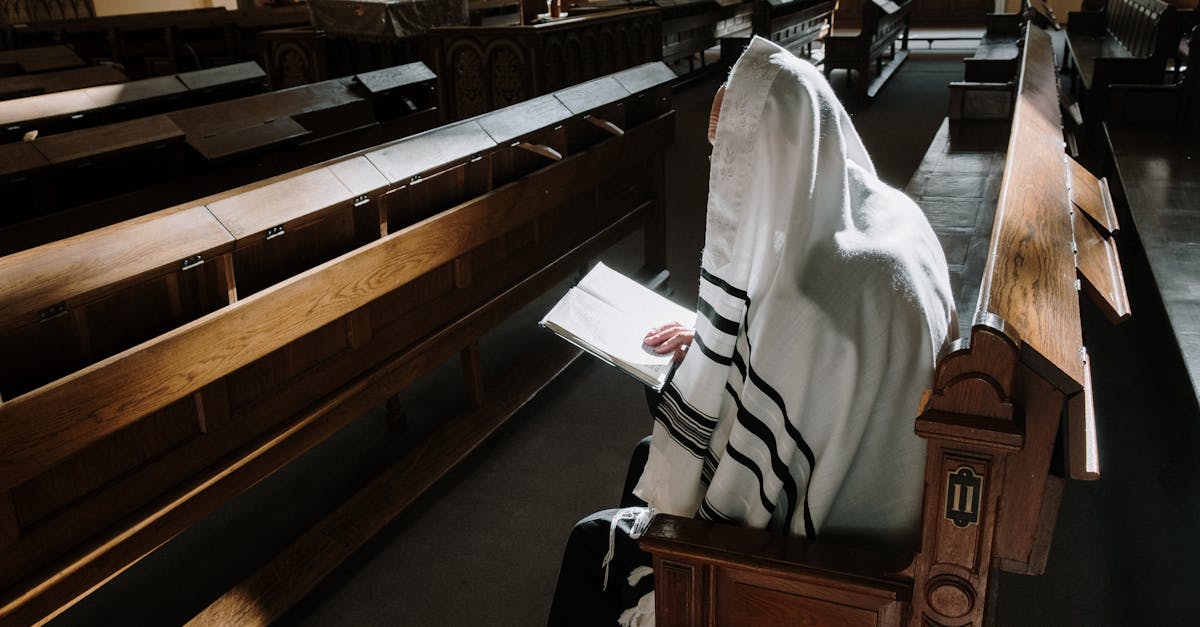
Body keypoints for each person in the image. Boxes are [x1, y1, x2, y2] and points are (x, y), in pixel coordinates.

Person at [548, 36, 957, 627]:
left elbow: (752, 479)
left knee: (593, 539)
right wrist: (719, 344)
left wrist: (712, 365)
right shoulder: (884, 218)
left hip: (832, 561)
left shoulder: (815, 301)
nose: (724, 184)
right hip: (888, 492)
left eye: (734, 164)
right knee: (652, 454)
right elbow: (798, 372)